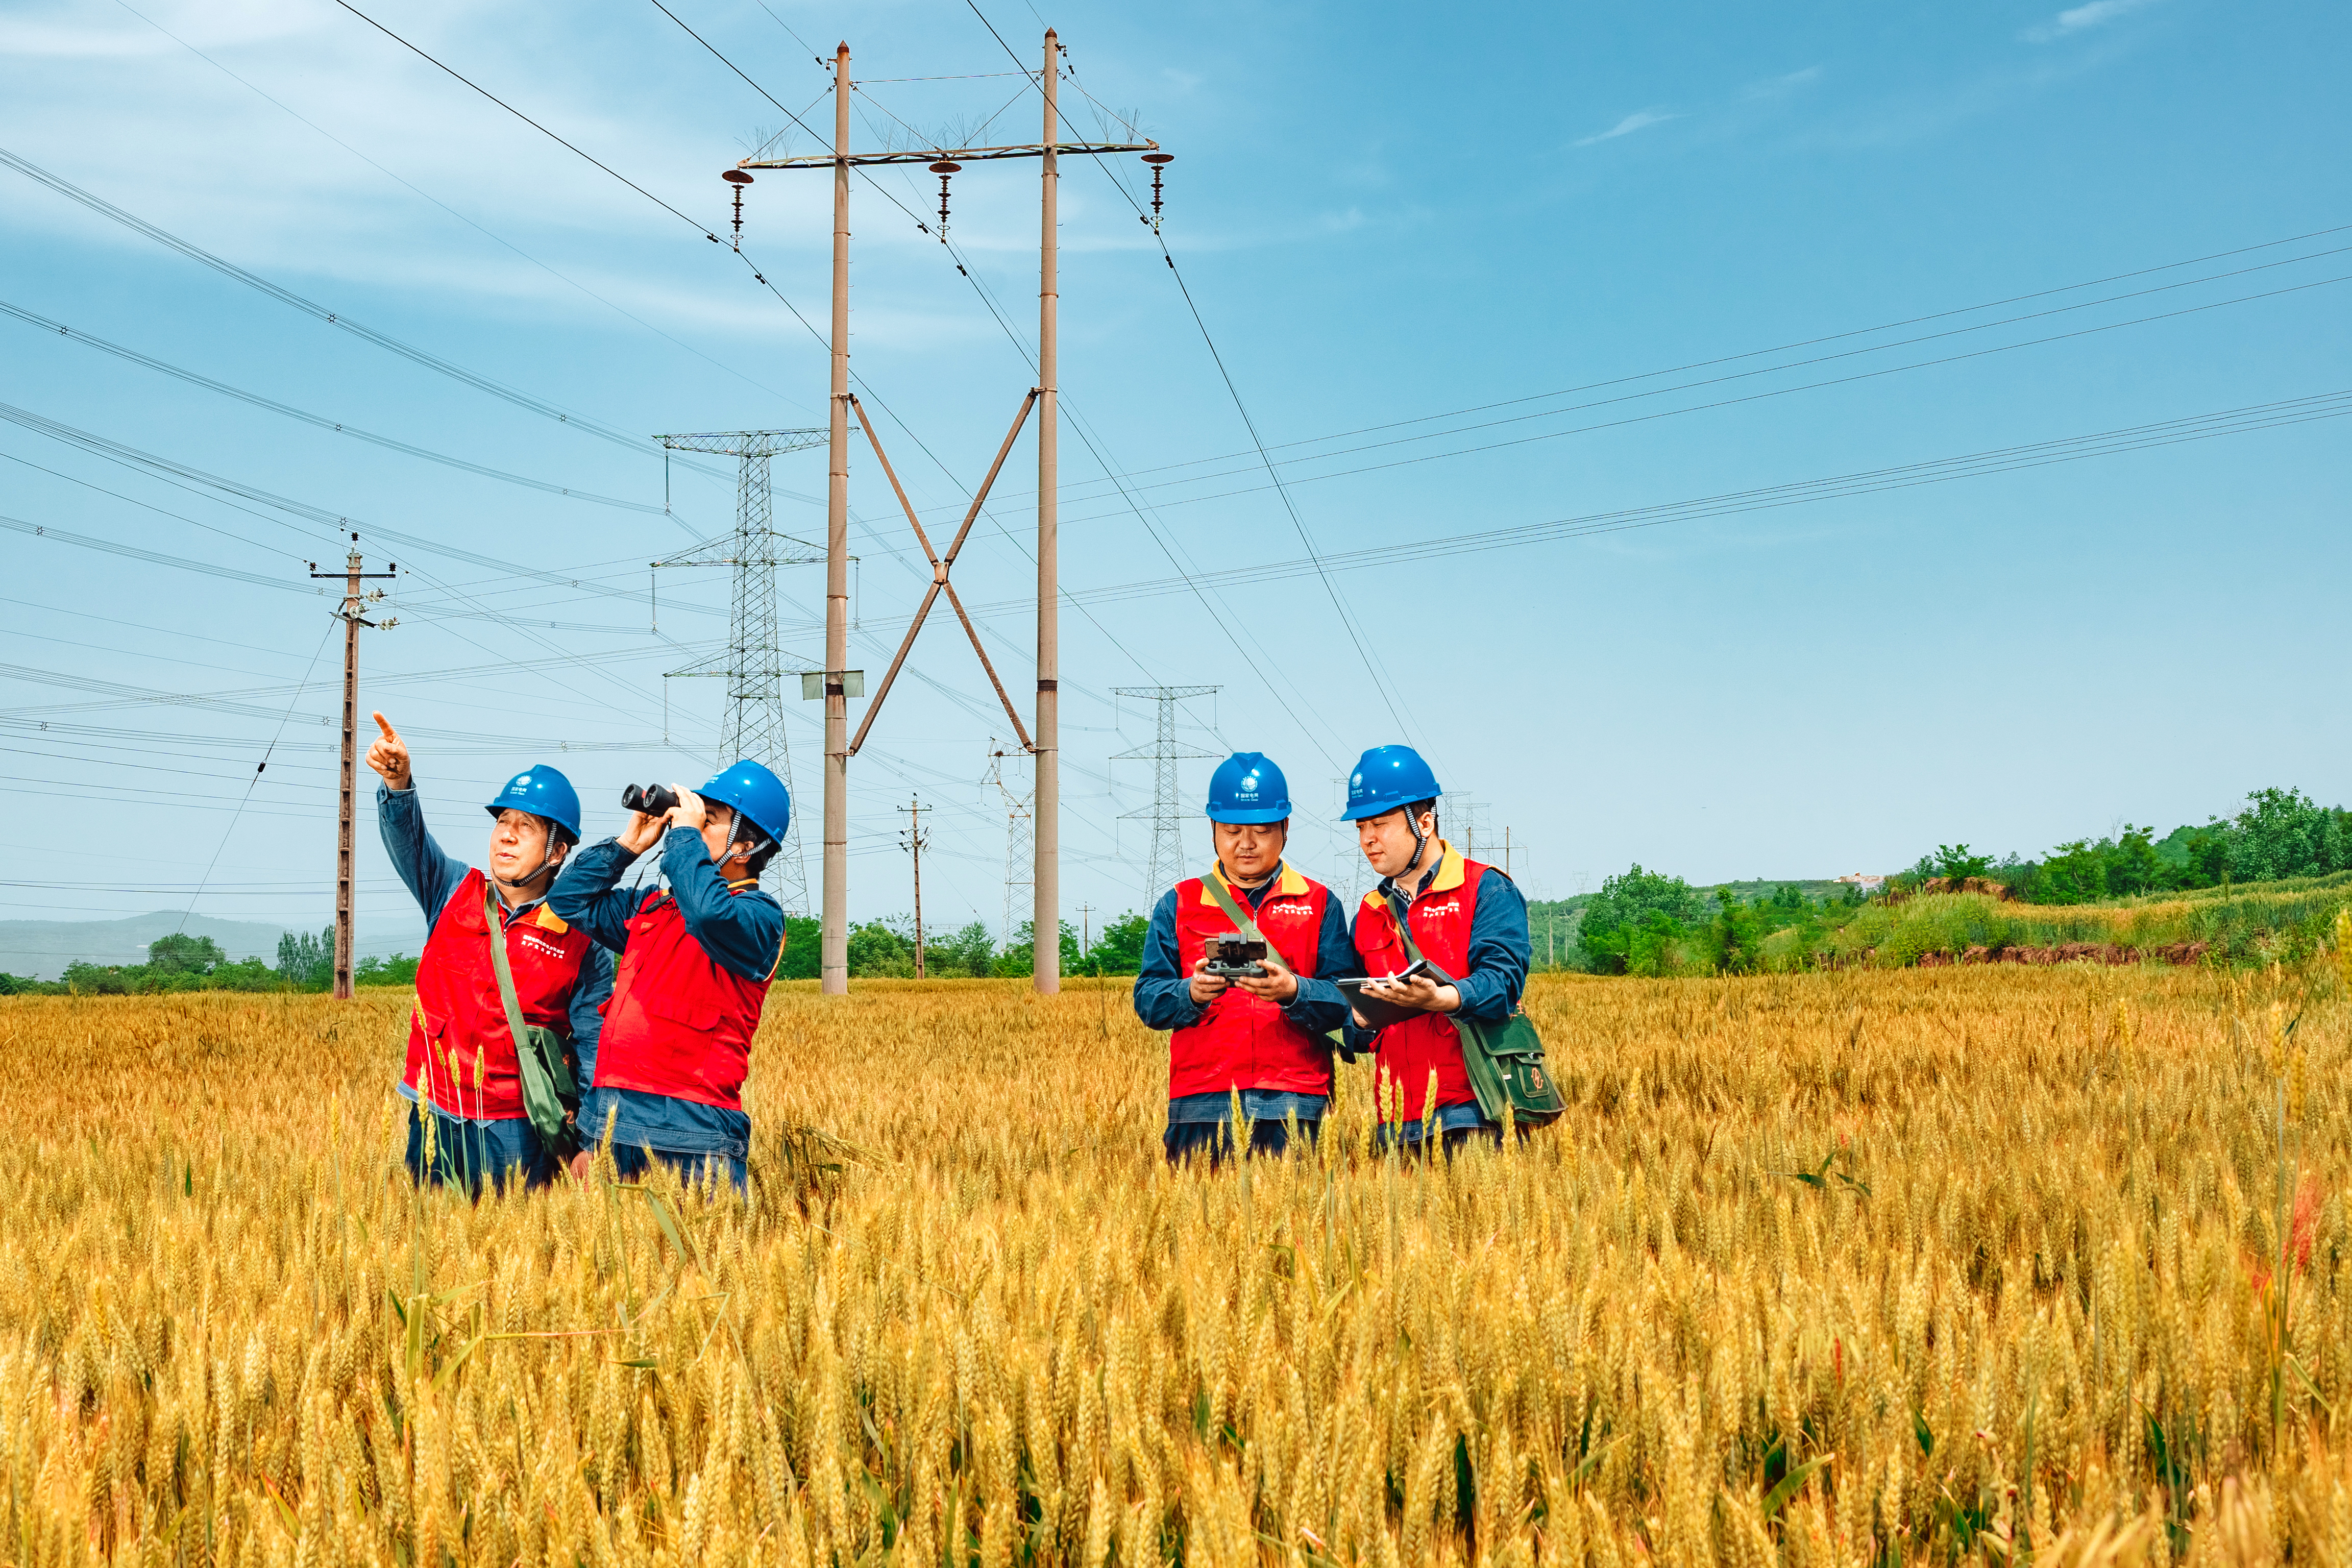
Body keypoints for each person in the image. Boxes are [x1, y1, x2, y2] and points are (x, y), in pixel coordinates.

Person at [366, 712, 608, 1194]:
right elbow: (409, 842)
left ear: (557, 852)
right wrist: (399, 785)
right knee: (431, 1239)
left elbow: (593, 1045)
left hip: (516, 1127)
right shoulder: (453, 889)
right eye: (503, 821)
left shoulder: (583, 936)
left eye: (527, 826)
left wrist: (591, 1140)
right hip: (432, 1112)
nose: (507, 835)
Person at [548, 761, 792, 1191]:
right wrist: (627, 846)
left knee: (692, 1257)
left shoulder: (760, 919)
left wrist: (683, 836)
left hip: (691, 1129)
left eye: (708, 819)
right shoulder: (654, 907)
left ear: (746, 845)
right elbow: (568, 899)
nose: (689, 823)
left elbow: (709, 913)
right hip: (610, 1118)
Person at [1133, 751, 1356, 1164]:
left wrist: (1293, 991)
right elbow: (1148, 1000)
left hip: (1296, 1099)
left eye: (1262, 831)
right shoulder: (1179, 903)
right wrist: (1192, 993)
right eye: (1233, 830)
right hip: (1202, 1100)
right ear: (1214, 829)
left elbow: (1347, 1001)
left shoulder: (1320, 903)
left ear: (1285, 829)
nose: (1246, 844)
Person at [1339, 744, 1531, 1153]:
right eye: (1360, 827)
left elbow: (1504, 981)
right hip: (1394, 1119)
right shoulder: (1369, 913)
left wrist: (1442, 997)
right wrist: (1359, 1020)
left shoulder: (1486, 888)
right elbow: (1352, 1030)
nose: (1368, 839)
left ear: (1424, 823)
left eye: (1380, 824)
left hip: (1476, 1109)